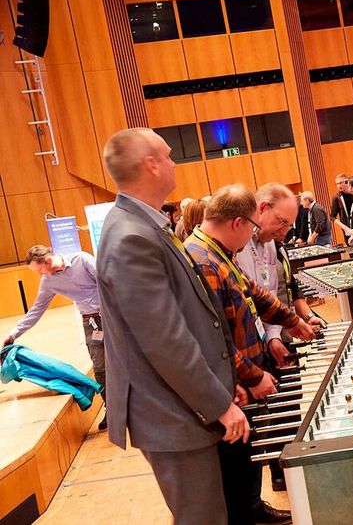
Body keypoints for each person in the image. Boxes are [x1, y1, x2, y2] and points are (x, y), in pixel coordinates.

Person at [97, 128, 247, 525]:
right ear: (151, 165)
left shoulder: (144, 225)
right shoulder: (131, 236)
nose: (174, 161)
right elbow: (166, 340)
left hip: (181, 406)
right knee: (202, 518)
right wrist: (219, 403)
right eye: (168, 155)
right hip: (171, 411)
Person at [185, 184, 314, 525]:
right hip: (231, 381)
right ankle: (244, 514)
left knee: (249, 451)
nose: (254, 236)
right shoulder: (201, 261)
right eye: (252, 228)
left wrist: (292, 320)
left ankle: (252, 507)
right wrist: (251, 376)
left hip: (243, 371)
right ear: (239, 222)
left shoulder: (218, 251)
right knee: (235, 462)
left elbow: (253, 292)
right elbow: (216, 341)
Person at [237, 182, 327, 493]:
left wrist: (276, 335)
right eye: (282, 222)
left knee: (286, 405)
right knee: (256, 424)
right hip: (244, 352)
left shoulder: (271, 245)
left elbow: (272, 292)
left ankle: (285, 474)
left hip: (269, 339)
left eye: (290, 224)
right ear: (261, 209)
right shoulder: (237, 245)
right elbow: (246, 300)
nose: (286, 230)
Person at [4, 245, 108, 429]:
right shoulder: (48, 281)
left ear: (48, 261)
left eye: (39, 270)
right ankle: (112, 410)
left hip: (112, 316)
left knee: (129, 359)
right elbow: (36, 310)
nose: (39, 275)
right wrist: (13, 334)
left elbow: (107, 283)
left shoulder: (82, 259)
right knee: (100, 367)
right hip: (90, 322)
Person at [330, 174, 353, 243]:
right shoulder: (337, 197)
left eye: (340, 183)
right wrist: (345, 227)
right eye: (337, 184)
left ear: (346, 182)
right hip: (347, 227)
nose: (339, 186)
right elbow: (332, 217)